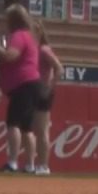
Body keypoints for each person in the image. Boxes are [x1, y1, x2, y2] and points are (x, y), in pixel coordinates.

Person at [0, 3, 40, 173]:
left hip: (22, 84)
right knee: (27, 127)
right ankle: (30, 165)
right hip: (31, 83)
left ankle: (12, 162)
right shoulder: (29, 36)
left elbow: (11, 56)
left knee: (14, 123)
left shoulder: (19, 35)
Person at [31, 21, 64, 176]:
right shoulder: (32, 50)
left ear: (39, 33)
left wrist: (50, 86)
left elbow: (59, 68)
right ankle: (34, 163)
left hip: (42, 91)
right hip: (33, 91)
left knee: (42, 129)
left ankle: (43, 165)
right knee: (33, 129)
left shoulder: (43, 50)